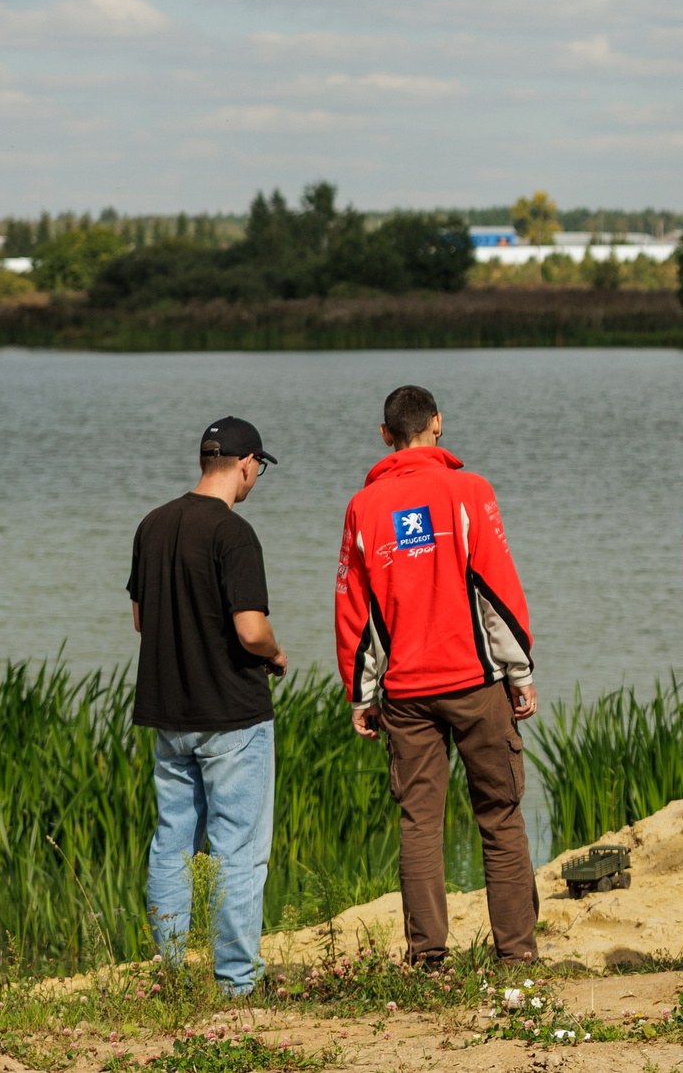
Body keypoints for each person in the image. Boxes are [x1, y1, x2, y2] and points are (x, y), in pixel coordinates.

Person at [334, 385, 540, 967]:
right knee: (499, 815)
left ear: (384, 435)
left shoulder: (363, 507)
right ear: (438, 424)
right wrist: (520, 670)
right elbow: (498, 589)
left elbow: (354, 608)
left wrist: (362, 693)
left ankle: (427, 958)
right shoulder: (470, 491)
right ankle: (517, 956)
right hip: (477, 685)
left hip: (404, 693)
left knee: (419, 823)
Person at [129, 416, 287, 995]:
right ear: (246, 463)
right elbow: (250, 630)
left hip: (169, 714)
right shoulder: (233, 533)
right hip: (232, 717)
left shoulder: (153, 524)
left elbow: (143, 620)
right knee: (237, 849)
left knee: (172, 840)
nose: (255, 478)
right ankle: (237, 983)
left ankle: (170, 974)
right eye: (259, 468)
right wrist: (275, 653)